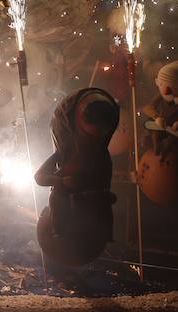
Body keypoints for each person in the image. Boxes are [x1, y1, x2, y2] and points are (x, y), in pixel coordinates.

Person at [35, 88, 119, 242]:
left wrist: (105, 194)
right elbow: (39, 177)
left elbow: (105, 181)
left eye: (99, 136)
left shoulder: (101, 155)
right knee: (57, 199)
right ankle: (59, 231)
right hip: (67, 204)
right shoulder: (65, 153)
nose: (93, 141)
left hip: (92, 205)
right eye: (89, 135)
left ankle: (104, 233)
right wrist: (61, 182)